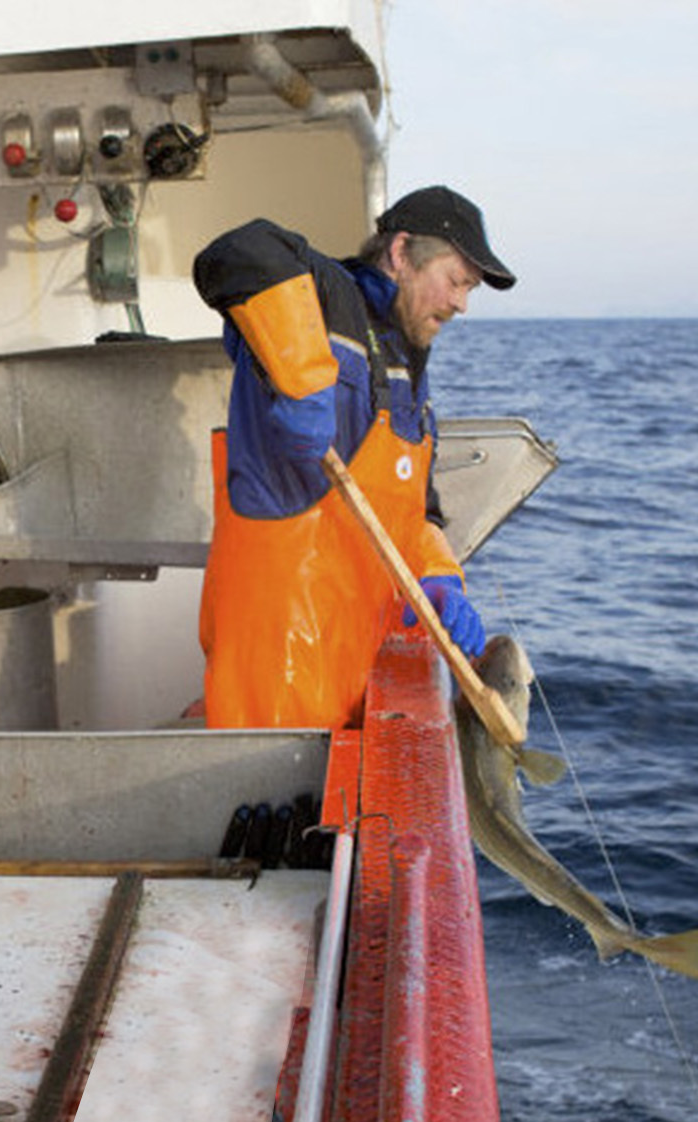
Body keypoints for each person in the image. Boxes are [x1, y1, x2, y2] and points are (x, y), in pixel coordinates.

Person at [191, 185, 514, 729]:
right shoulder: (330, 299)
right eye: (457, 281)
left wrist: (439, 578)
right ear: (400, 253)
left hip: (351, 671)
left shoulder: (410, 362)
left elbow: (417, 511)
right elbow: (238, 253)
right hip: (275, 677)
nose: (462, 303)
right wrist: (302, 378)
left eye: (470, 289)